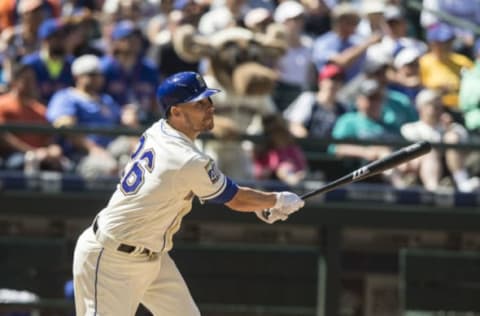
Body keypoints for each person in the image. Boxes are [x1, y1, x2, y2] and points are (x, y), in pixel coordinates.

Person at [72, 71, 305, 316]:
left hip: (154, 255)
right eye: (199, 104)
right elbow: (235, 198)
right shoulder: (186, 158)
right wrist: (276, 200)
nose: (210, 108)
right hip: (113, 258)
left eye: (209, 100)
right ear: (176, 111)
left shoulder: (159, 129)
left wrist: (260, 205)